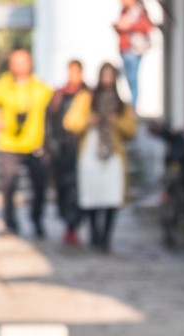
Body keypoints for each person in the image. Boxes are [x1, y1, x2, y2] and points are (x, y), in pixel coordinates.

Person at [64, 62, 137, 252]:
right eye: (104, 75)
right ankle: (94, 234)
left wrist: (117, 122)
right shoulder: (86, 98)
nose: (107, 79)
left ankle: (106, 237)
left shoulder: (121, 104)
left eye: (110, 75)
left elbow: (131, 130)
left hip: (112, 152)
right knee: (92, 195)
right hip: (91, 151)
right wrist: (87, 120)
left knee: (112, 196)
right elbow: (70, 122)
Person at [0, 49, 54, 238]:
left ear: (30, 64)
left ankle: (37, 221)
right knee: (8, 186)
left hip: (34, 144)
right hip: (9, 144)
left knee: (39, 188)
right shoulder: (0, 85)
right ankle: (10, 224)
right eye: (16, 62)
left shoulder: (40, 87)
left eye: (22, 62)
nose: (19, 67)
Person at [46, 60, 87, 246]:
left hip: (79, 148)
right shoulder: (59, 95)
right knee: (62, 189)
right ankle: (67, 223)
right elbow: (49, 120)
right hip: (61, 151)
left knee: (76, 190)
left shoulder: (86, 95)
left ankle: (74, 225)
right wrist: (51, 144)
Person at [113, 0, 153, 107]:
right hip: (125, 49)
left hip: (134, 50)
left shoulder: (139, 11)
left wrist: (129, 26)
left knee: (132, 78)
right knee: (125, 78)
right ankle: (127, 105)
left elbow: (147, 27)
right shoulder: (124, 11)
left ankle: (133, 106)